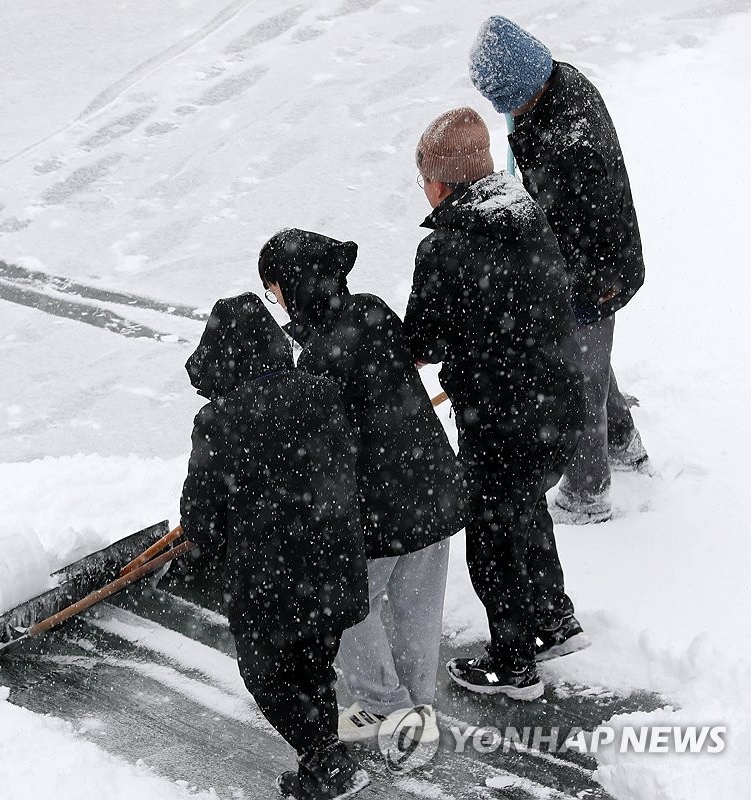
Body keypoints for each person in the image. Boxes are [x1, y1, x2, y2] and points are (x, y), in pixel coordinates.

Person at [404, 107, 588, 699]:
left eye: (423, 177)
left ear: (443, 180)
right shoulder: (527, 215)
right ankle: (553, 621)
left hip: (501, 419)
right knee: (526, 508)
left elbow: (422, 342)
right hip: (559, 406)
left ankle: (512, 667)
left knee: (491, 535)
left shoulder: (446, 250)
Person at [259, 229, 465, 750]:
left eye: (274, 289)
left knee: (345, 604)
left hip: (382, 509)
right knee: (419, 603)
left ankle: (382, 705)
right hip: (432, 488)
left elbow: (324, 453)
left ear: (292, 285)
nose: (275, 300)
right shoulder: (370, 310)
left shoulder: (319, 362)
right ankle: (417, 704)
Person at [180, 293, 371, 799]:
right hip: (333, 560)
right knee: (314, 667)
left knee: (265, 673)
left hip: (269, 577)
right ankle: (322, 759)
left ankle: (328, 760)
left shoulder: (221, 420)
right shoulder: (323, 393)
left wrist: (216, 551)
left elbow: (200, 517)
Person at [469, 15, 650, 525]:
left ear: (520, 88)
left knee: (576, 383)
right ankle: (624, 444)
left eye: (503, 101)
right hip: (605, 261)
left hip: (593, 274)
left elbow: (550, 233)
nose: (501, 113)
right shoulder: (556, 81)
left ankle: (587, 495)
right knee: (593, 363)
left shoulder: (563, 144)